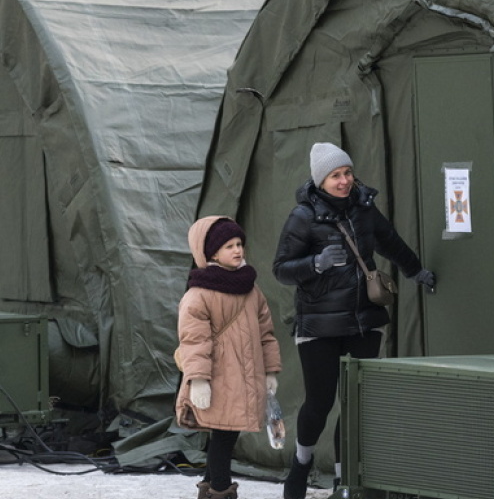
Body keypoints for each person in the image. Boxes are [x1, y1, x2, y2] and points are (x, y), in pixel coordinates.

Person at [273, 142, 436, 499]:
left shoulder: (364, 208)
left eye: (347, 173)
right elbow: (281, 269)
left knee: (356, 405)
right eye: (335, 176)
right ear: (320, 181)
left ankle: (343, 481)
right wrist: (316, 264)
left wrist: (416, 271)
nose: (344, 181)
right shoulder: (302, 217)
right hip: (319, 325)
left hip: (364, 320)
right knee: (320, 403)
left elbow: (389, 241)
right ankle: (301, 464)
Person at [176, 216, 282, 499]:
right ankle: (221, 491)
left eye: (239, 244)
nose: (238, 250)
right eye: (228, 246)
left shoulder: (251, 288)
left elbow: (265, 333)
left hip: (244, 378)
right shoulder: (198, 294)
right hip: (217, 378)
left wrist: (270, 370)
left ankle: (208, 491)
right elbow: (194, 341)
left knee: (224, 435)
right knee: (224, 437)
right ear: (211, 253)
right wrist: (198, 380)